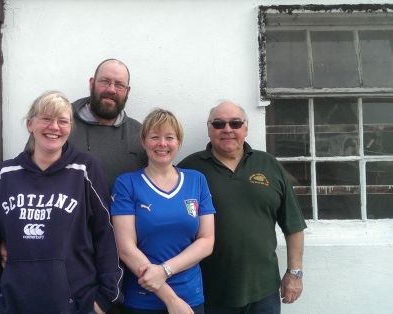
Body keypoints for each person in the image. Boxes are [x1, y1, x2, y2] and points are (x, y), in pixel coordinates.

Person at [0, 91, 123, 314]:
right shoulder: (6, 175)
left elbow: (106, 235)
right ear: (30, 124)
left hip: (77, 305)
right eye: (46, 119)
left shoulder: (85, 170)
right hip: (14, 304)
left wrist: (105, 299)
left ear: (70, 128)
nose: (54, 127)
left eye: (62, 121)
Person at [178, 101, 306, 314]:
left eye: (235, 123)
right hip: (208, 292)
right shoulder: (189, 170)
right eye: (219, 124)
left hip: (263, 291)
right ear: (209, 129)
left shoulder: (269, 165)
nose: (227, 129)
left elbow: (293, 225)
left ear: (245, 128)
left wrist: (295, 273)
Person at [111, 109, 215, 314]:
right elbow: (125, 248)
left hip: (190, 297)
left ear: (178, 142)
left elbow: (206, 242)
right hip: (142, 300)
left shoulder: (197, 180)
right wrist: (170, 299)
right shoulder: (127, 184)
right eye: (154, 137)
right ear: (143, 141)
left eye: (169, 137)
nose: (162, 144)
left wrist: (164, 270)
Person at [70, 58, 147, 188]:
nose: (111, 90)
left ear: (127, 91)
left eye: (119, 85)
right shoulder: (60, 126)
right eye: (105, 81)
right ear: (91, 83)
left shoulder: (140, 135)